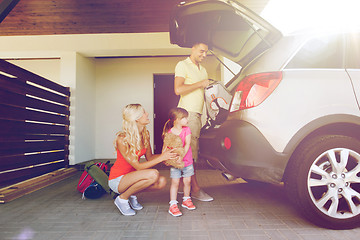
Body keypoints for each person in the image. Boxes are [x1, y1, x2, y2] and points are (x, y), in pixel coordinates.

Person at [108, 104, 177, 216]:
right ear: (136, 118)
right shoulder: (122, 139)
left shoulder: (145, 134)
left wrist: (167, 157)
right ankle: (122, 199)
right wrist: (161, 157)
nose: (147, 114)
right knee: (154, 174)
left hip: (133, 177)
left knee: (161, 182)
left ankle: (131, 194)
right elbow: (138, 167)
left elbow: (150, 158)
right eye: (144, 112)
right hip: (118, 179)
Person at [173, 42, 213, 202]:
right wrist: (200, 84)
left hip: (196, 114)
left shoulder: (203, 70)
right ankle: (195, 189)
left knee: (188, 152)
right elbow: (178, 89)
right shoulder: (183, 65)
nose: (204, 55)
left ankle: (186, 187)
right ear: (193, 49)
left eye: (206, 53)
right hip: (186, 114)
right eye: (201, 51)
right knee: (190, 153)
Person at [162, 108, 196, 217]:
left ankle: (186, 199)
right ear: (176, 120)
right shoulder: (170, 132)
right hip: (175, 163)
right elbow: (166, 148)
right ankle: (173, 204)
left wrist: (181, 156)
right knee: (175, 183)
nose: (187, 120)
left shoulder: (187, 130)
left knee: (187, 181)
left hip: (187, 161)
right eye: (184, 118)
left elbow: (187, 144)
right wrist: (168, 158)